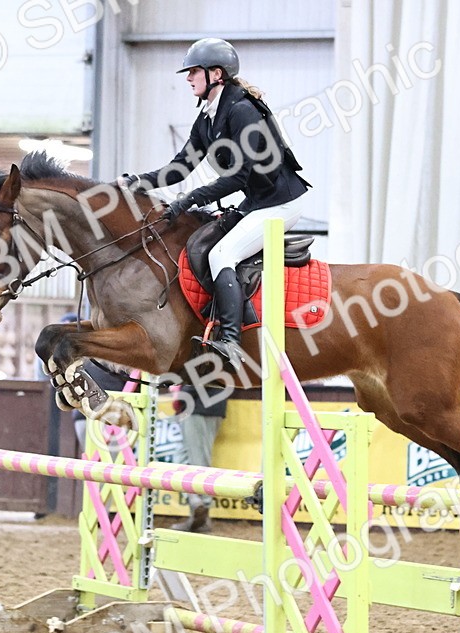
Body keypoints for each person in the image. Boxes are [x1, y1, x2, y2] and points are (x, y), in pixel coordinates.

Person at [119, 37, 310, 373]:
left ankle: (230, 341)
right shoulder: (208, 118)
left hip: (282, 203)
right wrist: (137, 183)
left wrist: (192, 198)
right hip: (258, 202)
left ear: (216, 74)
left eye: (194, 71)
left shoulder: (241, 111)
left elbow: (241, 175)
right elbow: (180, 167)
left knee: (223, 253)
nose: (188, 78)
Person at [169, 380, 229, 532]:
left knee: (197, 462)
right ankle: (197, 505)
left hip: (197, 406)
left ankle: (201, 509)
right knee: (185, 459)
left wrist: (181, 395)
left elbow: (198, 373)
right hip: (207, 405)